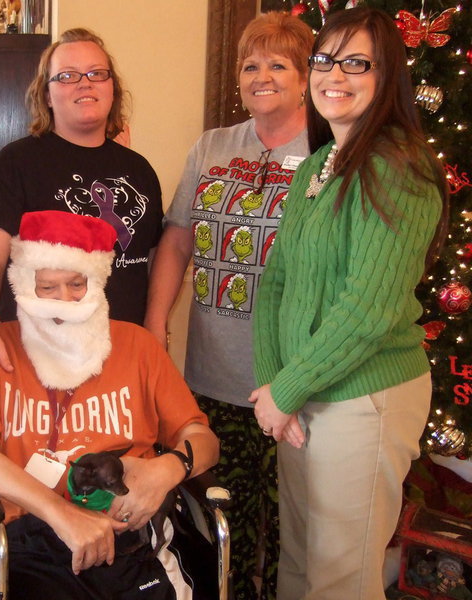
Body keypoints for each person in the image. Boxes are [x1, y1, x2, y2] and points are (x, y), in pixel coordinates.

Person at [250, 7, 449, 600]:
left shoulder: (397, 166)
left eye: (356, 62)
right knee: (301, 563)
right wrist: (275, 383)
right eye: (324, 59)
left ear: (387, 76)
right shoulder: (316, 166)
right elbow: (276, 284)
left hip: (365, 398)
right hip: (304, 396)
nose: (333, 74)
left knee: (340, 580)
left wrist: (285, 392)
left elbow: (369, 309)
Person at [0, 210, 220, 599]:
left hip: (132, 534)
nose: (64, 302)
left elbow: (203, 439)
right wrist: (62, 515)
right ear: (24, 285)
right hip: (31, 539)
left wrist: (168, 469)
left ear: (98, 280)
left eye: (77, 284)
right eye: (47, 287)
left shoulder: (138, 347)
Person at [144, 12, 313, 599]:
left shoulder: (330, 148)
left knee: (293, 528)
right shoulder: (213, 147)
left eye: (278, 64)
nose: (262, 75)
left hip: (294, 383)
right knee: (225, 524)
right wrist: (155, 323)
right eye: (250, 64)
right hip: (213, 378)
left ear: (305, 75)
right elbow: (177, 238)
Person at [0, 28, 163, 401]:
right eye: (67, 76)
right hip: (41, 358)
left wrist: (154, 333)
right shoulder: (16, 164)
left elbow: (145, 260)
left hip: (120, 358)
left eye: (96, 73)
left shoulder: (141, 170)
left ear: (112, 87)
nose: (84, 84)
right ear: (47, 94)